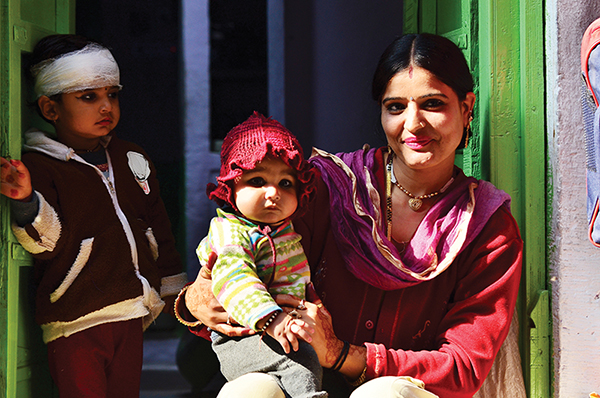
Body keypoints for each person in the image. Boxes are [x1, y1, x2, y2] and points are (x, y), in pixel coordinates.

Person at [176, 33, 524, 398]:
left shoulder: (487, 229)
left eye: (433, 104)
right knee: (251, 390)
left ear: (467, 107)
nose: (413, 123)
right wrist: (193, 302)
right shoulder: (322, 189)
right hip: (298, 380)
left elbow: (462, 366)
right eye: (395, 107)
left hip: (404, 391)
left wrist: (345, 355)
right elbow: (241, 264)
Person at [0, 34, 187, 397]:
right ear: (50, 109)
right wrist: (25, 200)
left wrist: (172, 289)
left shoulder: (132, 158)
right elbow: (47, 242)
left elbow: (157, 225)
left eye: (112, 95)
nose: (106, 107)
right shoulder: (40, 166)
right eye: (89, 97)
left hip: (132, 311)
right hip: (76, 319)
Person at [190, 112, 326, 397]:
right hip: (243, 335)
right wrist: (272, 319)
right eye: (257, 181)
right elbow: (235, 278)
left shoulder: (284, 230)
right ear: (230, 187)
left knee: (303, 365)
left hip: (283, 328)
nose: (273, 193)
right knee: (298, 369)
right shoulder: (230, 231)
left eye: (285, 183)